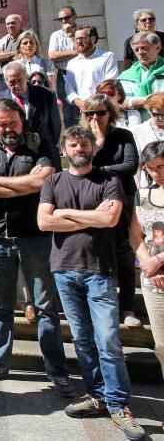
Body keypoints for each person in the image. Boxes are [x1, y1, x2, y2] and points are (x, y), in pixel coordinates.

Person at [37, 127, 146, 439]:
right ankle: (98, 395)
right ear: (65, 149)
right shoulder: (54, 181)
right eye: (73, 143)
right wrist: (87, 215)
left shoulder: (108, 180)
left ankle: (118, 404)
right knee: (83, 340)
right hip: (63, 270)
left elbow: (110, 220)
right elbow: (44, 221)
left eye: (84, 142)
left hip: (99, 270)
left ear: (93, 147)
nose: (79, 147)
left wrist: (65, 214)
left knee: (108, 340)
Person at [0, 98, 74, 395]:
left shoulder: (39, 144)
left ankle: (56, 369)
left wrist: (0, 181)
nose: (8, 129)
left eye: (12, 123)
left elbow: (46, 181)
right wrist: (25, 182)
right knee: (1, 306)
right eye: (1, 124)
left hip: (36, 237)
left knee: (44, 307)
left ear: (22, 121)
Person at [80, 94, 142, 328]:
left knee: (124, 251)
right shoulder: (82, 137)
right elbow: (81, 166)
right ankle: (103, 304)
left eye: (100, 113)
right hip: (93, 199)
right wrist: (97, 143)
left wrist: (101, 169)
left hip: (123, 197)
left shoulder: (123, 135)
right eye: (90, 113)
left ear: (110, 114)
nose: (95, 118)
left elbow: (130, 165)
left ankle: (127, 306)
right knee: (97, 250)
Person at [131, 141, 164, 381]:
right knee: (162, 346)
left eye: (161, 166)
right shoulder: (142, 195)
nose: (156, 173)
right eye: (151, 168)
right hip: (153, 281)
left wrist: (159, 260)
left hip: (157, 268)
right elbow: (135, 235)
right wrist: (148, 263)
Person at [0, 61, 63, 149]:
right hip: (13, 151)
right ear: (6, 81)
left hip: (42, 149)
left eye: (20, 80)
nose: (17, 85)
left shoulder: (46, 95)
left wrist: (51, 148)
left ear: (26, 77)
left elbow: (56, 126)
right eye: (12, 82)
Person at [66, 25, 119, 114]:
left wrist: (95, 105)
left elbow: (110, 83)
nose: (78, 42)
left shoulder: (107, 57)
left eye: (82, 38)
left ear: (93, 38)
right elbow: (69, 88)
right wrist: (81, 104)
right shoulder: (72, 63)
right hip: (81, 110)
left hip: (103, 109)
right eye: (76, 39)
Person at [119, 32, 164, 120]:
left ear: (158, 47)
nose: (140, 53)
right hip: (135, 127)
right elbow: (116, 104)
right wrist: (138, 102)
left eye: (144, 48)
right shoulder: (126, 76)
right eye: (136, 50)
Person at [133, 93, 164, 194]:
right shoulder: (138, 131)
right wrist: (137, 189)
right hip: (149, 183)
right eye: (156, 114)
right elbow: (136, 162)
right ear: (149, 111)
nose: (161, 118)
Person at [0, 14, 24, 82]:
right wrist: (15, 53)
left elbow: (28, 54)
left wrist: (5, 55)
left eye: (13, 23)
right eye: (7, 24)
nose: (10, 26)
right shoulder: (3, 40)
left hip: (24, 77)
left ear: (20, 24)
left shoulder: (28, 38)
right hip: (6, 78)